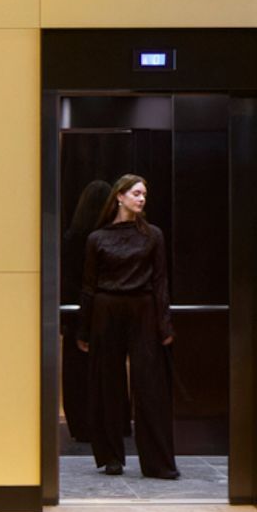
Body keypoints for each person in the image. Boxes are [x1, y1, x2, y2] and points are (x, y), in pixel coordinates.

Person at [81, 173, 177, 479]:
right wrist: (83, 329)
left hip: (143, 309)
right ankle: (111, 457)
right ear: (119, 197)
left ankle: (158, 462)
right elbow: (88, 286)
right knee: (107, 383)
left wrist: (165, 325)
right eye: (136, 193)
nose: (141, 198)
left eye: (144, 195)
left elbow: (161, 281)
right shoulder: (97, 238)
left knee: (150, 386)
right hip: (106, 310)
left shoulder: (153, 235)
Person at [58, 179, 113, 455]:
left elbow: (67, 281)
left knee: (75, 370)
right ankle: (106, 423)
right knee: (102, 370)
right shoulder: (106, 238)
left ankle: (79, 423)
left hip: (74, 311)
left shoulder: (71, 238)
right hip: (101, 310)